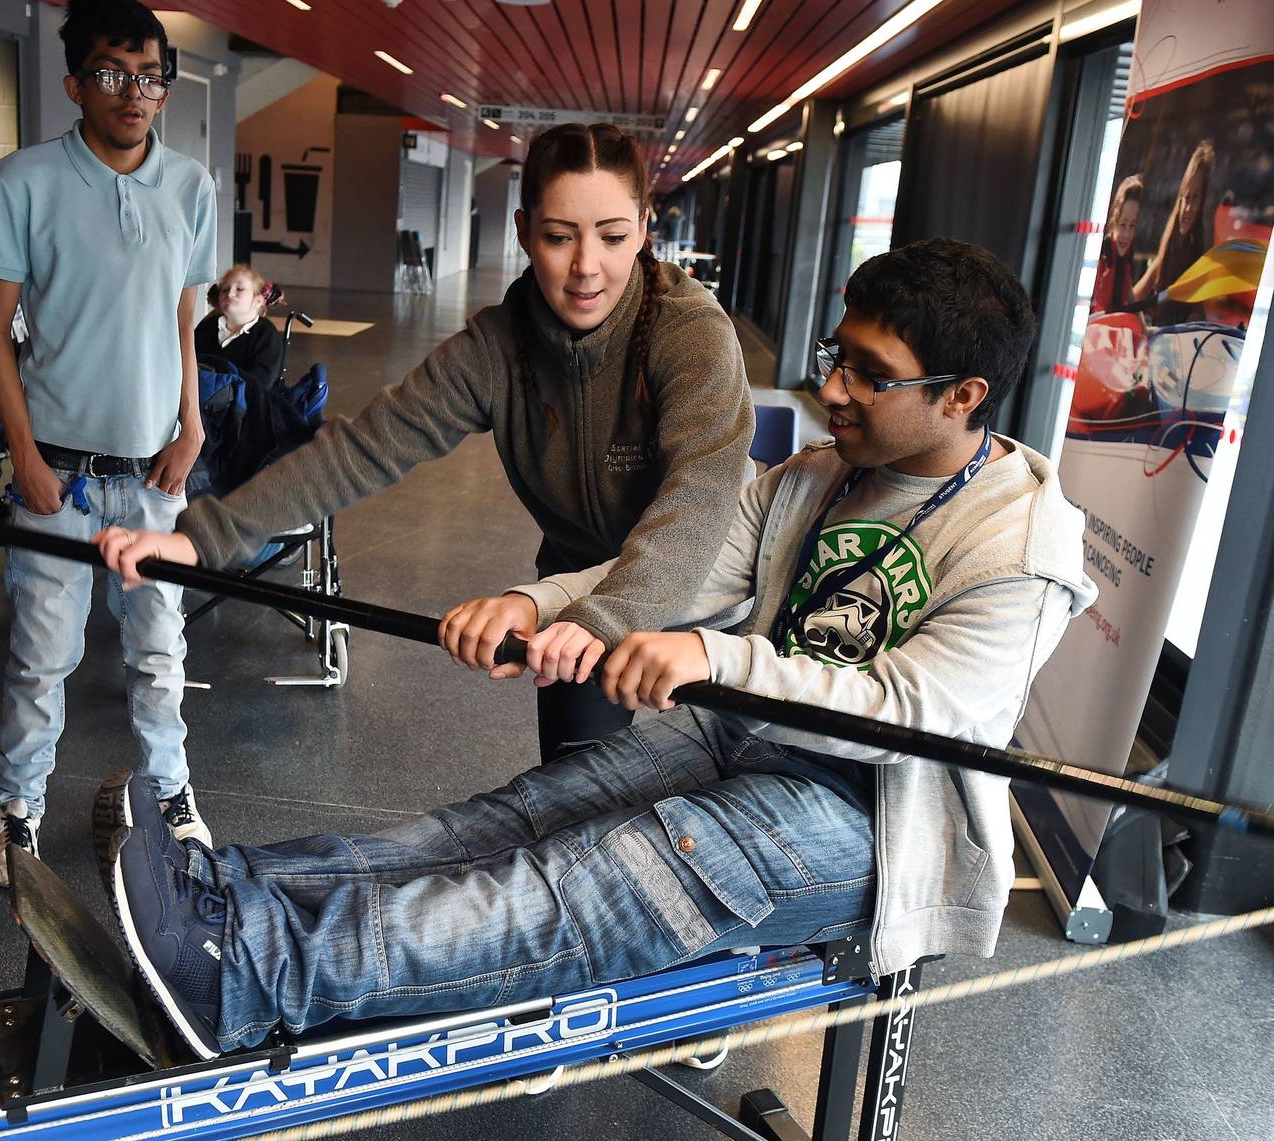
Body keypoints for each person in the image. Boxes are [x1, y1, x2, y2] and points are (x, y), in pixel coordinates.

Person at [94, 238, 1096, 1061]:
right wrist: (535, 605)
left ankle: (243, 976)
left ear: (964, 397)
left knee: (568, 886)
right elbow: (667, 575)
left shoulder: (1022, 544)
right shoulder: (823, 473)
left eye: (871, 377)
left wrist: (716, 661)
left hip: (868, 820)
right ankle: (232, 896)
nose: (835, 387)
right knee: (504, 822)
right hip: (738, 737)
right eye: (839, 355)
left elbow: (915, 712)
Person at [96, 122, 755, 762]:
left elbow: (699, 502)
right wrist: (199, 537)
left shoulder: (688, 331)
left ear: (644, 228)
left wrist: (604, 618)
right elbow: (360, 449)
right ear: (524, 232)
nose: (587, 267)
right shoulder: (498, 348)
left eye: (613, 236)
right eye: (559, 236)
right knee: (577, 798)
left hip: (710, 585)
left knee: (739, 807)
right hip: (573, 603)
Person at [0, 0, 216, 887]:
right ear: (75, 82)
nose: (135, 93)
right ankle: (17, 808)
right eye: (114, 74)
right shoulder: (25, 180)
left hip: (153, 474)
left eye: (151, 76)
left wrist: (192, 427)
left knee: (161, 653)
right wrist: (27, 456)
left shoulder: (191, 186)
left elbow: (182, 317)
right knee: (42, 656)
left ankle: (169, 796)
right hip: (59, 476)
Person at [1132, 139, 1214, 325]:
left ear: (1203, 202)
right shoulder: (1167, 252)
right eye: (1186, 198)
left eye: (1195, 199)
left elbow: (1200, 313)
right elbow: (1134, 298)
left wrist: (1195, 318)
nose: (1187, 208)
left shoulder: (1204, 261)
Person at [194, 264, 283, 390]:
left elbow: (261, 382)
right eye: (225, 289)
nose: (230, 294)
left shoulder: (266, 334)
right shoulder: (207, 326)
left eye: (240, 289)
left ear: (258, 301)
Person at [1090, 174, 1142, 316]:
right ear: (1114, 221)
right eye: (1123, 224)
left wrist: (1145, 330)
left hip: (1116, 325)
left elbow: (1129, 292)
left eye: (1132, 226)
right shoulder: (1102, 251)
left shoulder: (1128, 254)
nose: (1126, 234)